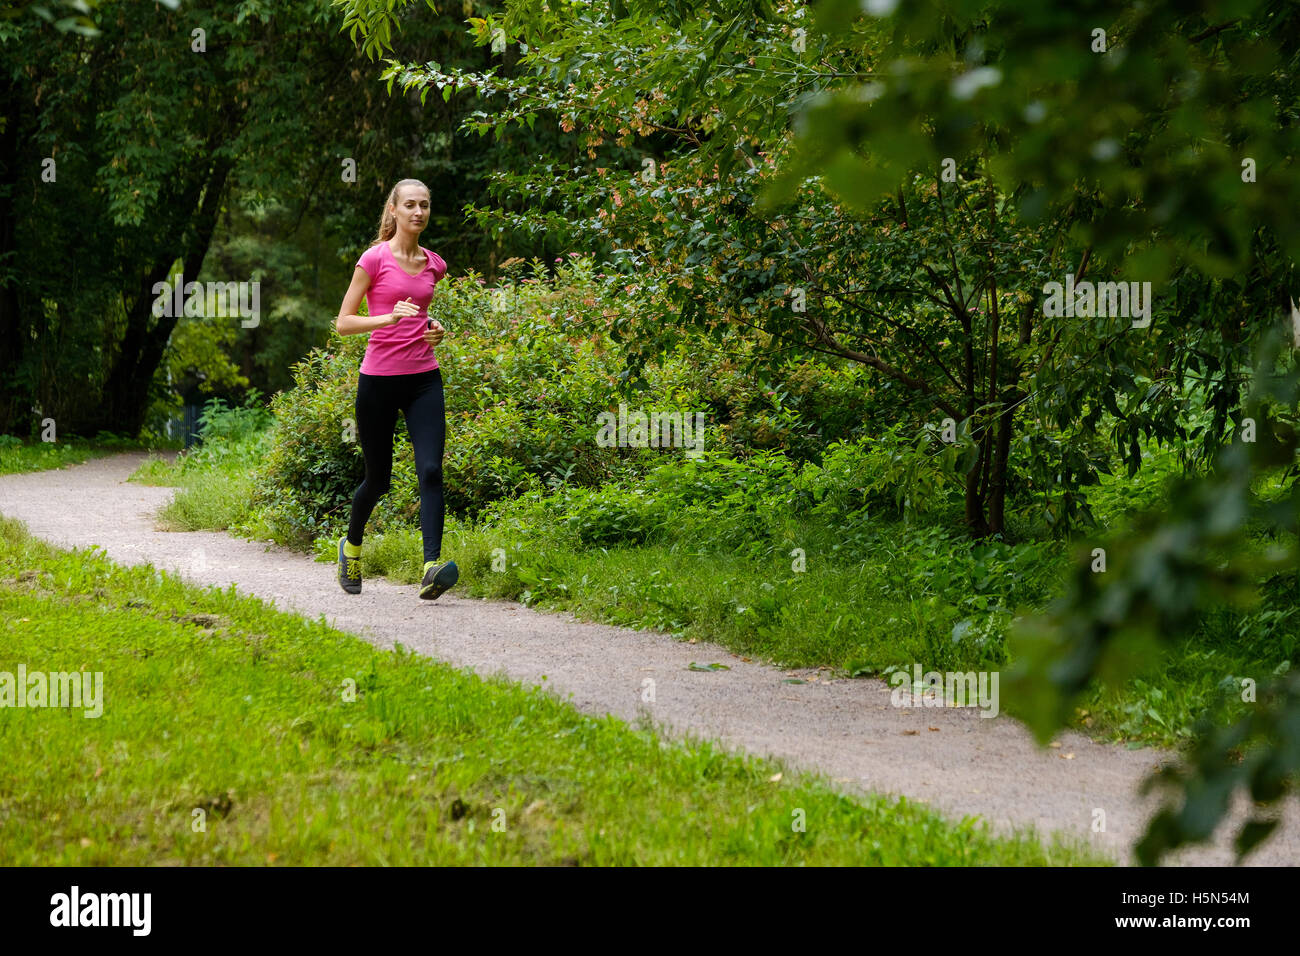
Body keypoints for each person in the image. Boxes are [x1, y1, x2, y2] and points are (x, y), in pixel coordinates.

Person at [333, 178, 458, 601]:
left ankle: (430, 568)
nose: (418, 212)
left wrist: (434, 329)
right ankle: (351, 548)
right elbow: (344, 323)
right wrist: (386, 319)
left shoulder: (434, 264)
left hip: (423, 379)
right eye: (410, 205)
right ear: (394, 211)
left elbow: (421, 316)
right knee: (378, 480)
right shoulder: (373, 260)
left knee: (431, 470)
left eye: (424, 205)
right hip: (379, 382)